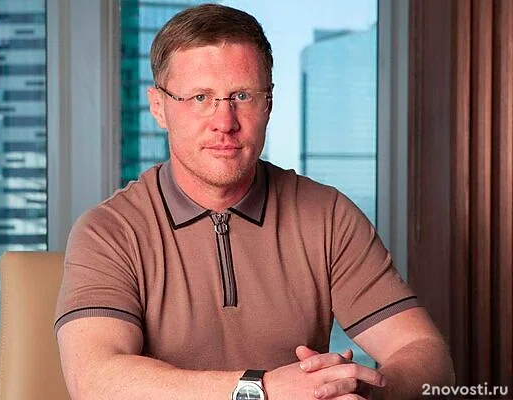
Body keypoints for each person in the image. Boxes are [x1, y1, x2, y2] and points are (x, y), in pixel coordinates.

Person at [54, 4, 454, 399]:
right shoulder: (110, 232)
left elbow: (427, 355)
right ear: (159, 107)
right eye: (200, 97)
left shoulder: (327, 216)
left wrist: (351, 389)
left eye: (242, 96)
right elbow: (95, 380)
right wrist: (263, 390)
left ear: (269, 104)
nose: (224, 122)